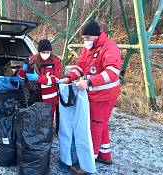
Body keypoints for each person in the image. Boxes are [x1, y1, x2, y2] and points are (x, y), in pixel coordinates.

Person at [61, 20, 122, 164]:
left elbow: (113, 72)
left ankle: (89, 162)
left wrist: (89, 82)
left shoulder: (109, 47)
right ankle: (105, 155)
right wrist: (69, 78)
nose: (85, 41)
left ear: (96, 36)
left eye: (87, 38)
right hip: (93, 95)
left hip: (104, 96)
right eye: (83, 38)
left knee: (95, 126)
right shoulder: (89, 48)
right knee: (102, 123)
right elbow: (80, 66)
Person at [19, 39, 62, 126]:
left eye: (48, 52)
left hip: (50, 98)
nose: (46, 54)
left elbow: (56, 79)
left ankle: (47, 135)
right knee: (35, 119)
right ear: (39, 52)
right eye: (43, 52)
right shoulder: (32, 60)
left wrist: (38, 78)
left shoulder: (56, 62)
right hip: (34, 96)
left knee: (48, 120)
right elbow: (21, 77)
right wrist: (23, 69)